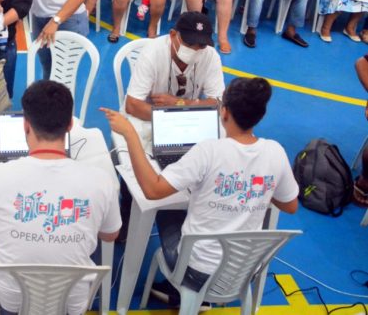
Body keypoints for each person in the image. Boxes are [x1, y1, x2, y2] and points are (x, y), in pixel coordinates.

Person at [105, 76, 298, 307]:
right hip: (243, 271)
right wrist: (253, 187)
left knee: (165, 210)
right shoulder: (275, 152)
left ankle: (182, 294)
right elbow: (290, 205)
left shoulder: (209, 151)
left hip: (197, 271)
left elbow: (152, 190)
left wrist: (130, 135)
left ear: (224, 112)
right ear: (260, 116)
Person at [0, 80, 121, 315]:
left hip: (10, 301)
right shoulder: (102, 180)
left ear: (26, 126)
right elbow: (110, 234)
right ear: (69, 125)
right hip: (70, 302)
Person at [124, 11, 224, 121]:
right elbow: (132, 105)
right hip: (151, 116)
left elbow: (219, 104)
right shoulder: (152, 53)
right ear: (173, 35)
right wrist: (176, 117)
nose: (195, 49)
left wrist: (179, 104)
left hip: (188, 117)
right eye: (189, 44)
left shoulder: (211, 55)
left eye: (202, 45)